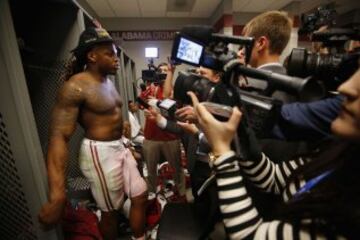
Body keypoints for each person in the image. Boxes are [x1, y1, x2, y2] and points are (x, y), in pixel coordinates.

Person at [189, 68, 360, 239]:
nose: (345, 88)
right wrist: (239, 136)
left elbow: (251, 236)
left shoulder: (348, 207)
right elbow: (275, 179)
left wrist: (221, 149)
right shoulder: (339, 150)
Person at [38, 27, 147, 240]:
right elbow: (58, 137)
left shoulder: (108, 82)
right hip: (100, 154)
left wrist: (122, 131)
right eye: (110, 54)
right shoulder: (76, 87)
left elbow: (106, 115)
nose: (116, 59)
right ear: (92, 56)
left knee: (141, 195)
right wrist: (58, 195)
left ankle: (139, 237)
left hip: (119, 146)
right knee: (110, 213)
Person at [140, 63, 185, 197]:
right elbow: (140, 104)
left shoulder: (176, 90)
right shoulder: (151, 89)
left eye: (166, 71)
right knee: (151, 170)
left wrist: (157, 103)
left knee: (177, 169)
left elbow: (172, 105)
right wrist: (146, 109)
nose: (163, 74)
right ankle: (152, 196)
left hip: (171, 137)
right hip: (151, 137)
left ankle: (182, 194)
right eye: (161, 71)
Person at [238, 10, 293, 102]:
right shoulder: (295, 84)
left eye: (245, 43)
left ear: (261, 43)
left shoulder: (248, 85)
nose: (242, 51)